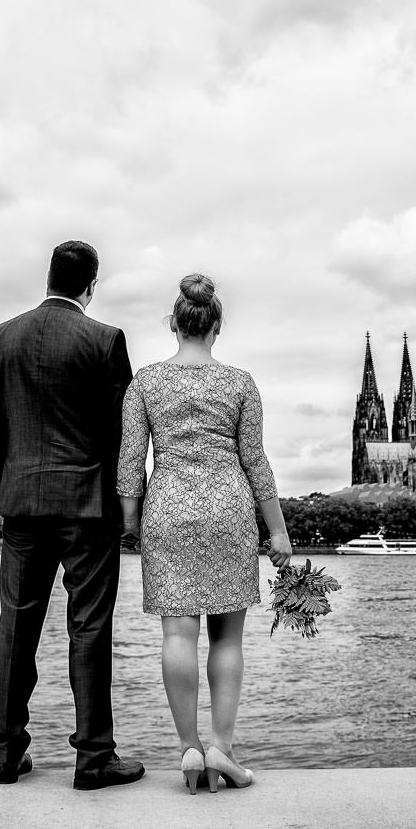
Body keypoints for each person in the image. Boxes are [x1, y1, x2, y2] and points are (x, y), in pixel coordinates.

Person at [0, 241, 145, 791]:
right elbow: (122, 435)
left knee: (16, 624)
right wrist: (126, 507)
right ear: (90, 285)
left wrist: (4, 492)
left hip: (21, 504)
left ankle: (7, 753)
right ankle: (94, 758)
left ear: (48, 276)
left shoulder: (0, 337)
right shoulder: (104, 340)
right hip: (87, 507)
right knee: (90, 629)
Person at [116, 273, 293, 795]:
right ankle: (222, 745)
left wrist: (130, 522)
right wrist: (277, 532)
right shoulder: (240, 383)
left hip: (168, 507)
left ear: (174, 324)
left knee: (177, 635)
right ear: (217, 326)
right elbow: (255, 461)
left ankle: (190, 747)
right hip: (228, 508)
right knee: (227, 638)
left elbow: (131, 460)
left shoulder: (145, 382)